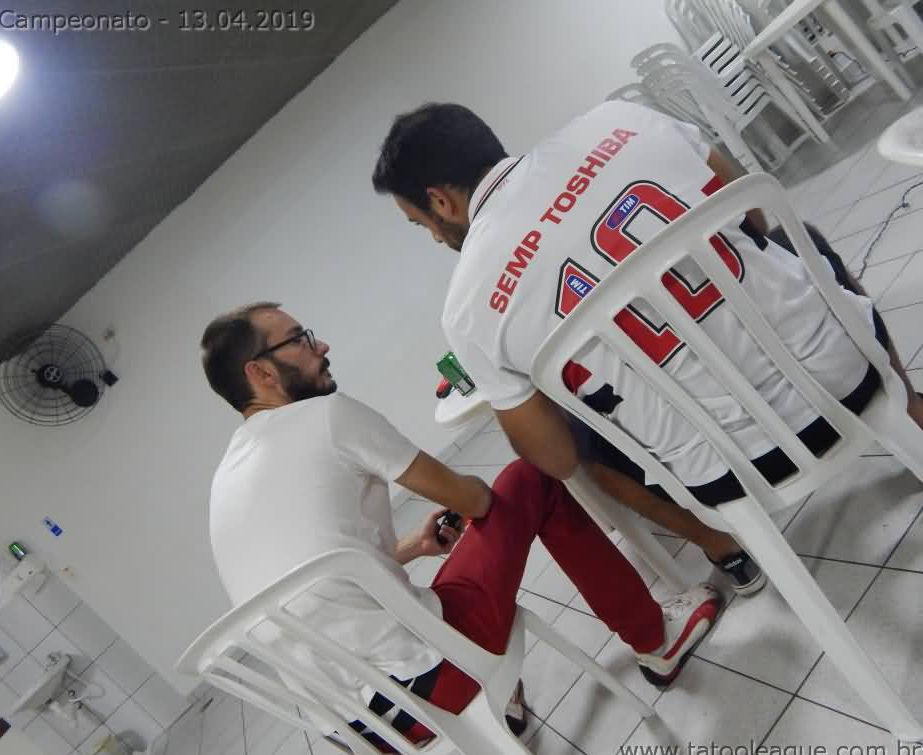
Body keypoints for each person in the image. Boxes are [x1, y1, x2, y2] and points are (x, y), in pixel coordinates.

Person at [372, 101, 923, 595]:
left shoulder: (468, 307)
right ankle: (912, 413)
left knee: (580, 440)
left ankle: (722, 546)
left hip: (732, 471)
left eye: (421, 223)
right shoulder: (619, 121)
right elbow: (753, 219)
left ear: (440, 201)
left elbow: (556, 459)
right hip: (844, 377)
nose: (434, 236)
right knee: (802, 245)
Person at [200, 302, 721, 751]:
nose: (322, 346)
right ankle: (657, 640)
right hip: (430, 687)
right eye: (300, 339)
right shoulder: (326, 416)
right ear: (261, 373)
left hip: (368, 734)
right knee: (529, 478)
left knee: (425, 599)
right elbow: (473, 499)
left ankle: (504, 710)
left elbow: (316, 583)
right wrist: (471, 502)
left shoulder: (228, 477)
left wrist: (413, 545)